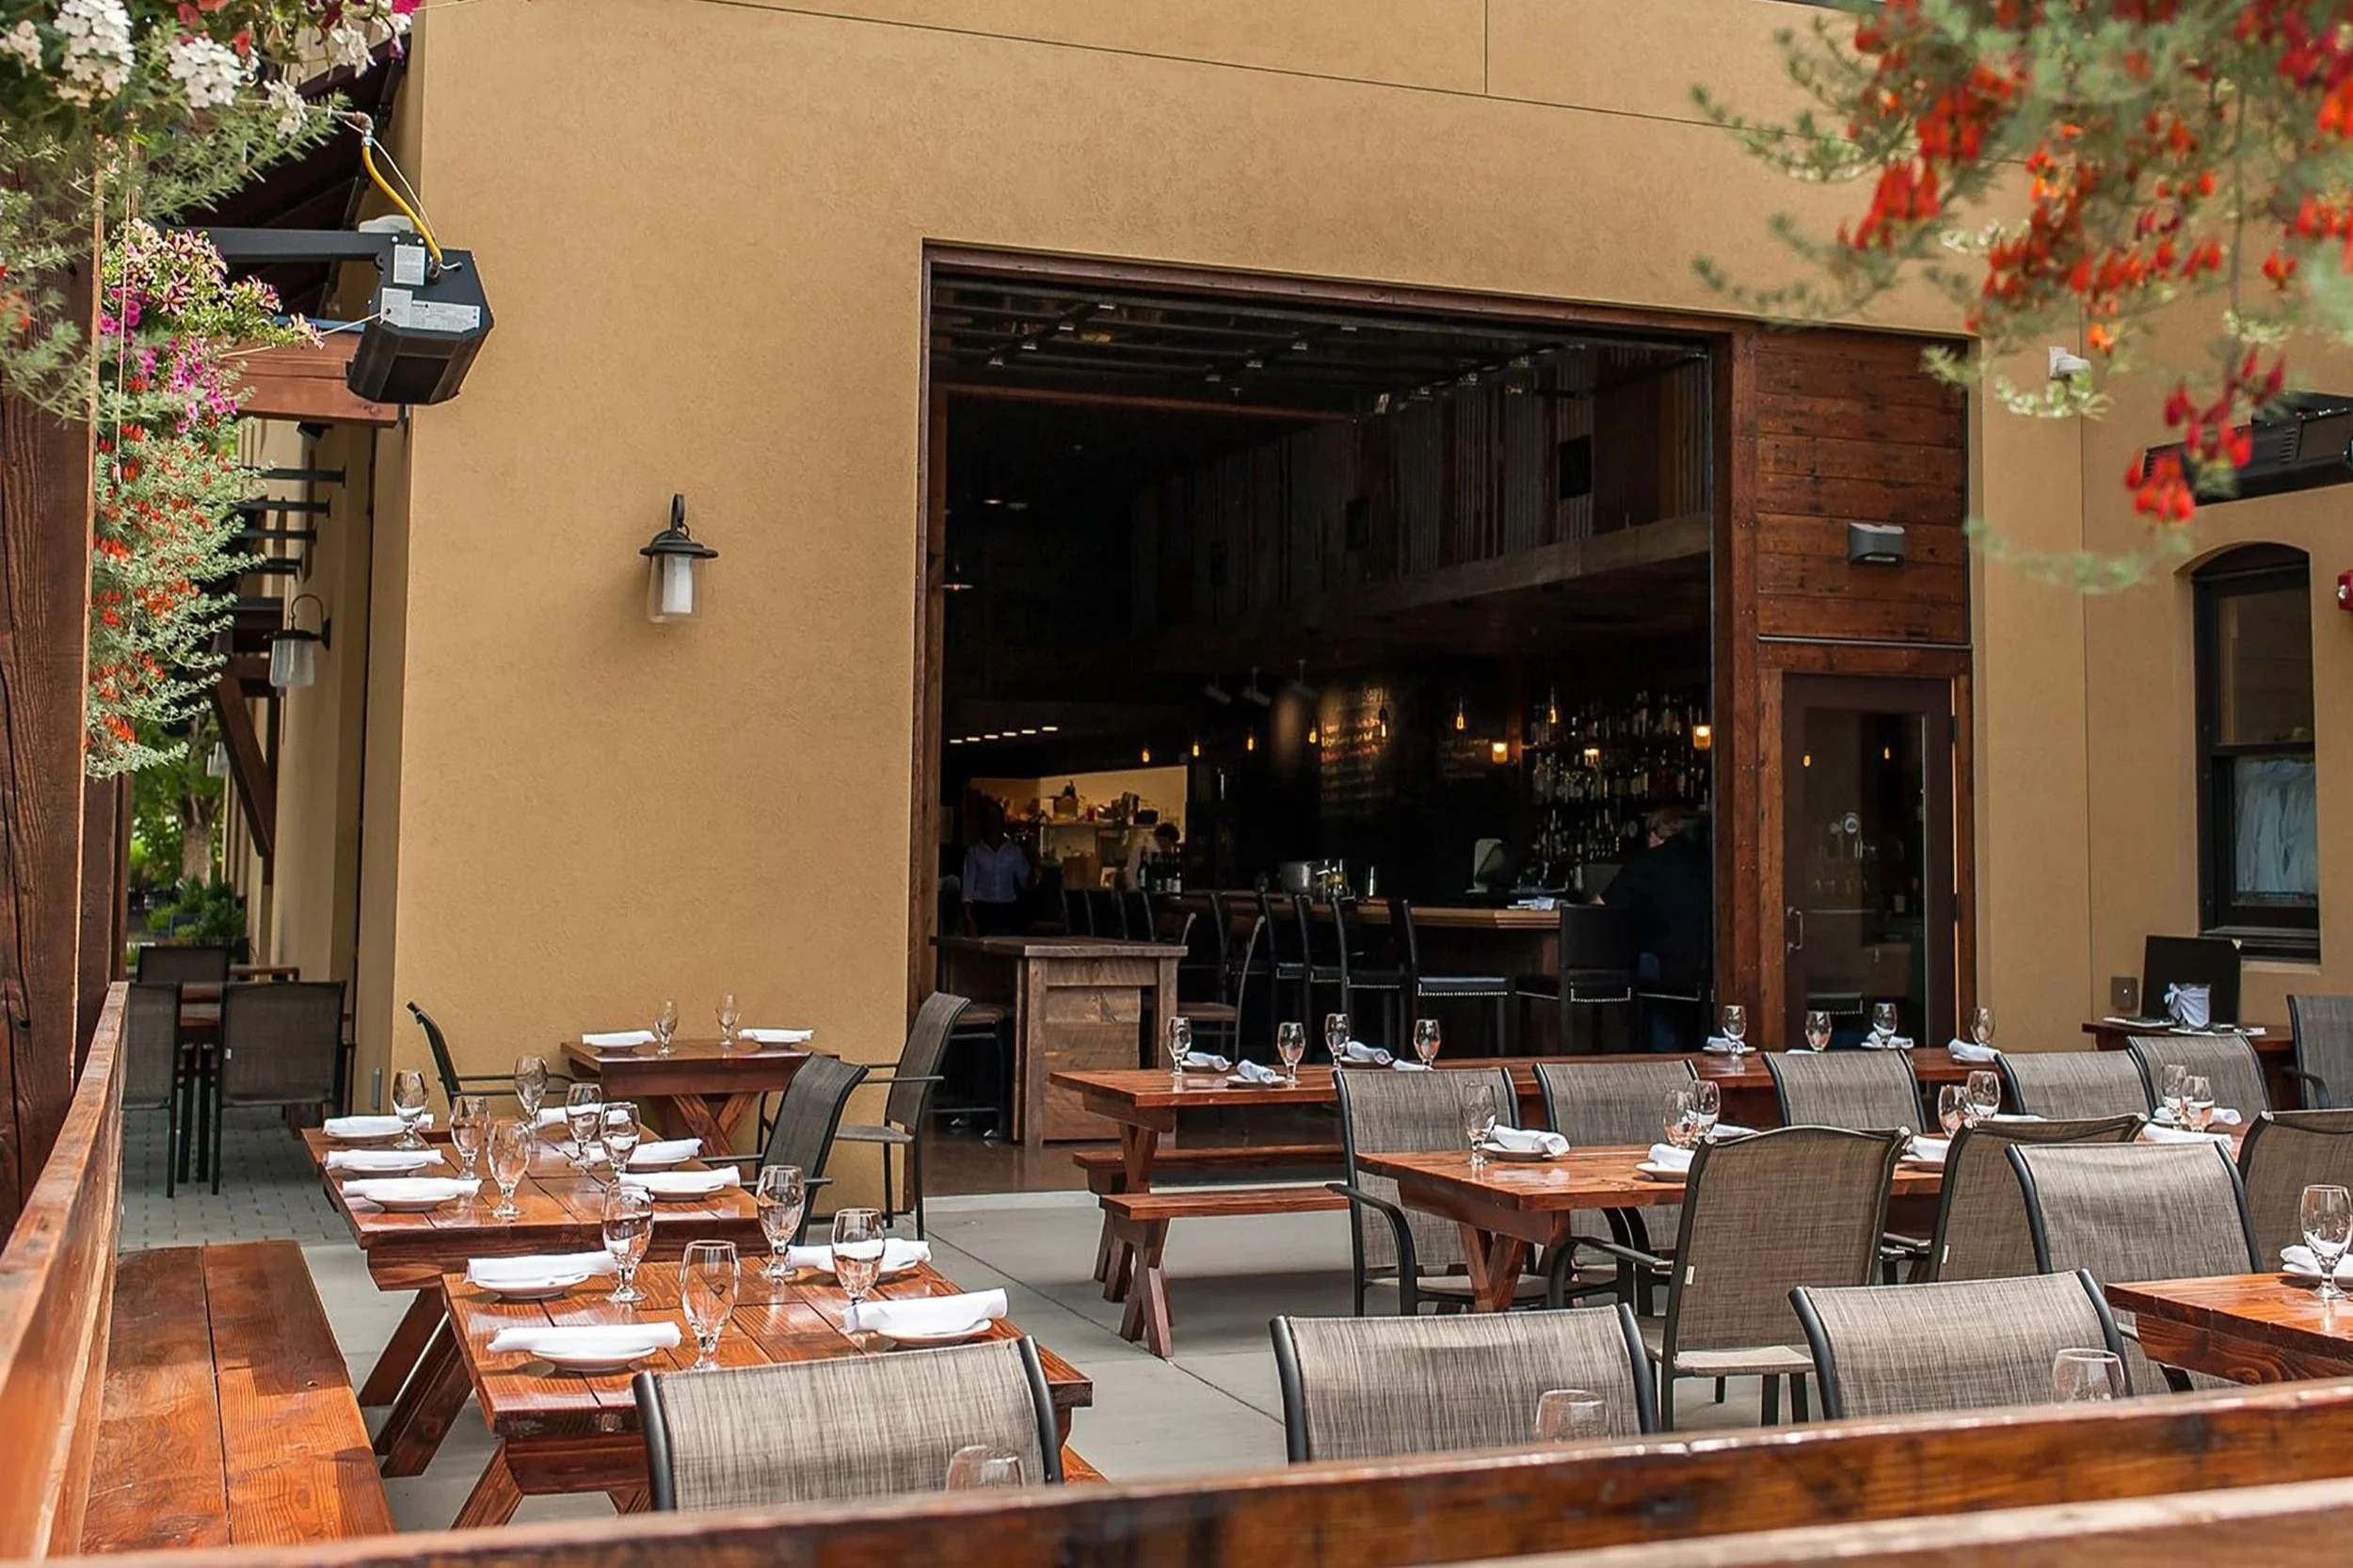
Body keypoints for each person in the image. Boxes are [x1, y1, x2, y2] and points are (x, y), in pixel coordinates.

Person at [1595, 805, 1712, 1050]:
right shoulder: (1707, 862)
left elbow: (1598, 908)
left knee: (1639, 968)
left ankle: (1658, 1055)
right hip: (1707, 969)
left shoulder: (1648, 863)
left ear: (1654, 835)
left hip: (1665, 967)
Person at [961, 808, 1032, 936]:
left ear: (1002, 822)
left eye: (996, 819)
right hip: (982, 908)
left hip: (1008, 908)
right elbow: (968, 889)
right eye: (989, 820)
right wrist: (969, 919)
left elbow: (1026, 882)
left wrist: (1034, 869)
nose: (992, 824)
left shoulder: (1014, 852)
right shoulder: (974, 852)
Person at [1127, 821, 1181, 891]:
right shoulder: (1151, 851)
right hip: (1139, 891)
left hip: (1136, 891)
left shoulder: (1144, 848)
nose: (1170, 847)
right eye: (1170, 843)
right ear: (1164, 838)